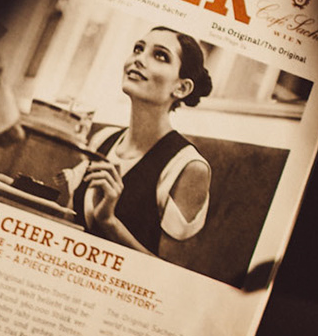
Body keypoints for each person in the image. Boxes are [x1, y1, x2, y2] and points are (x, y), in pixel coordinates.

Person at [66, 26, 213, 258]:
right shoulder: (102, 140)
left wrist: (109, 222)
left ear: (182, 88)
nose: (139, 60)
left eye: (160, 56)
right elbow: (67, 217)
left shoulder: (189, 167)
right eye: (138, 49)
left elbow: (170, 274)